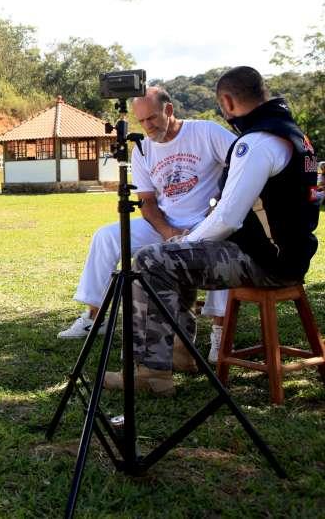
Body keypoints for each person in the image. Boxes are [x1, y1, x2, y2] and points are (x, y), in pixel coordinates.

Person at [105, 66, 319, 395]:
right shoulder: (289, 132)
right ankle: (180, 354)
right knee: (174, 259)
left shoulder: (257, 142)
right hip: (287, 255)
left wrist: (183, 240)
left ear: (228, 102)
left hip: (266, 262)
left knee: (152, 260)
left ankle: (150, 373)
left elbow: (227, 219)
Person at [58, 87, 235, 365]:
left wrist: (221, 205)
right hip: (164, 223)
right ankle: (94, 317)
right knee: (107, 236)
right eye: (142, 121)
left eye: (152, 119)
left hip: (206, 222)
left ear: (169, 110)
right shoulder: (143, 148)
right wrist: (169, 233)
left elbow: (243, 161)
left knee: (223, 245)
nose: (148, 127)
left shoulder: (206, 132)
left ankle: (220, 332)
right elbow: (147, 202)